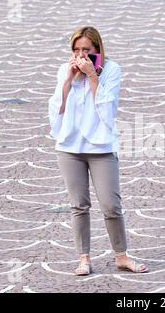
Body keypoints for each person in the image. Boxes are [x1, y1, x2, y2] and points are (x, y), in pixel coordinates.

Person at [48, 26, 148, 276]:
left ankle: (121, 256)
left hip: (101, 147)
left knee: (111, 204)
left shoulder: (111, 70)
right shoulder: (64, 69)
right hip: (70, 148)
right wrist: (69, 80)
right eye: (76, 50)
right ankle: (84, 258)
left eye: (87, 50)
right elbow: (56, 111)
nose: (81, 55)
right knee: (78, 205)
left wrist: (93, 76)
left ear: (97, 50)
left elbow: (107, 112)